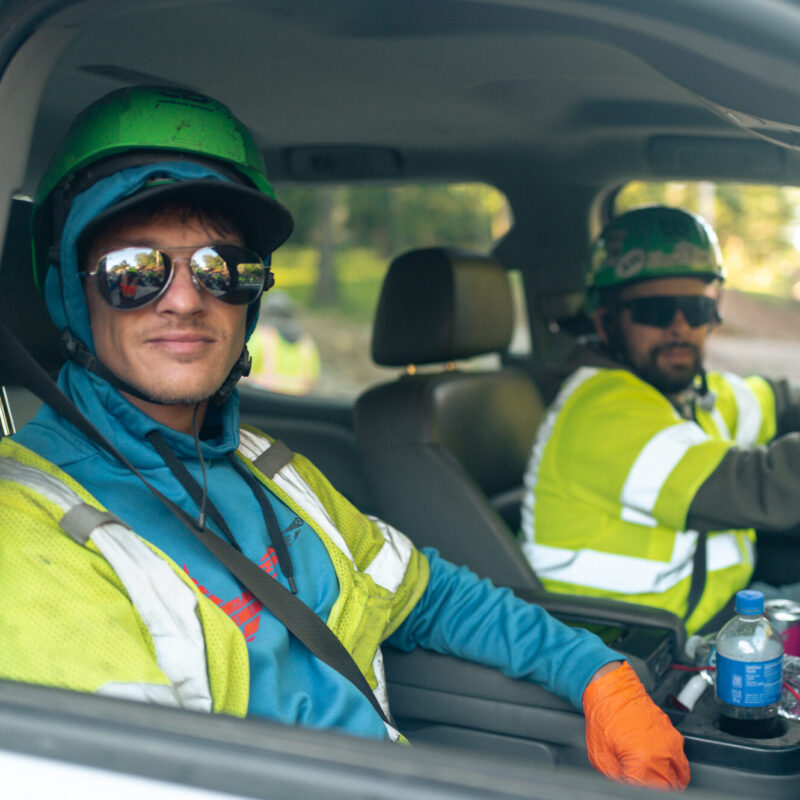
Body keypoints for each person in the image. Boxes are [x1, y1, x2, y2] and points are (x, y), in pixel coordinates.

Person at [0, 87, 688, 791]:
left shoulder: (269, 467)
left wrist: (597, 673)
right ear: (68, 294)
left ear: (254, 298)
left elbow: (430, 594)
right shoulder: (31, 538)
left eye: (222, 268)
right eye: (133, 271)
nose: (184, 298)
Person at [520, 204, 800, 636]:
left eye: (697, 308)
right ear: (607, 321)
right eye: (655, 310)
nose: (679, 326)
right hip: (641, 654)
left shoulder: (689, 393)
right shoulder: (603, 410)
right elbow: (762, 487)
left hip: (720, 617)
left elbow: (779, 403)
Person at [246, 290, 321, 395]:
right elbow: (313, 380)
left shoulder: (260, 337)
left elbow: (242, 377)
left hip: (264, 403)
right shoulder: (307, 343)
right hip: (298, 405)